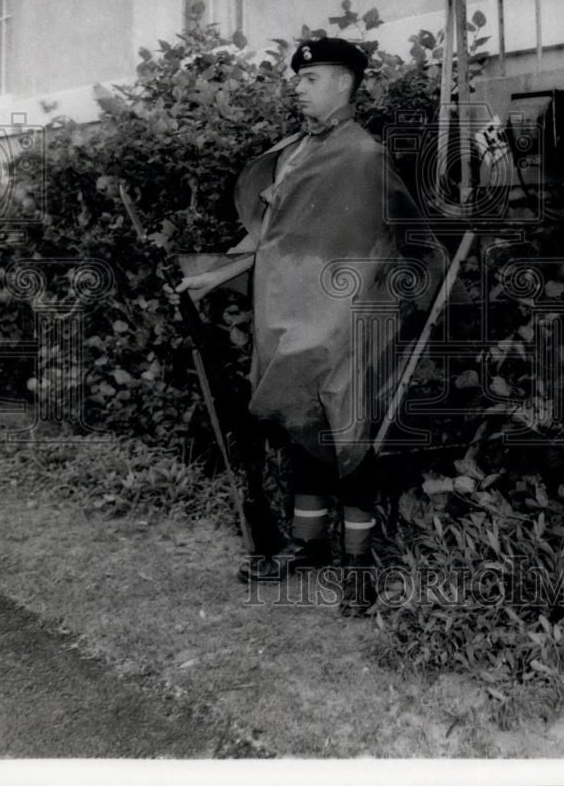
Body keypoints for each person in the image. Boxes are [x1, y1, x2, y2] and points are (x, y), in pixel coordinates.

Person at [178, 36, 444, 614]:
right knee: (303, 422)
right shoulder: (295, 151)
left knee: (351, 433)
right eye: (297, 78)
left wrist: (408, 292)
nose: (297, 86)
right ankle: (307, 546)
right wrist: (211, 276)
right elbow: (267, 232)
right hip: (289, 316)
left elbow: (409, 239)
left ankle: (358, 565)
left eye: (310, 78)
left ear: (344, 81)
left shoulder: (365, 156)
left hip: (348, 322)